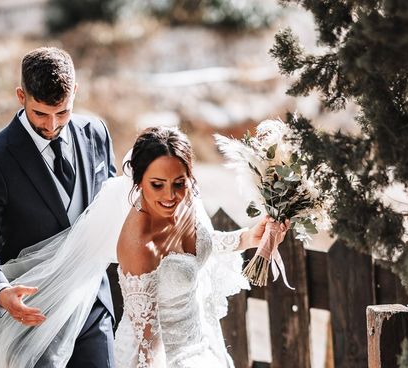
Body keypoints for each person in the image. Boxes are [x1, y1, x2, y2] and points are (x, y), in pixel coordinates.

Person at [0, 47, 117, 367]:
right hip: (33, 314)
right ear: (21, 96)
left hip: (93, 306)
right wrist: (0, 292)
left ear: (75, 91)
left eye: (63, 112)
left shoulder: (96, 133)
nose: (52, 124)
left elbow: (115, 211)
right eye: (41, 114)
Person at [114, 126, 289, 367]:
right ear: (139, 181)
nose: (170, 196)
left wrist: (248, 238)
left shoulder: (184, 202)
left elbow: (202, 241)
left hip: (202, 340)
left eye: (179, 183)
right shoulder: (140, 245)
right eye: (157, 185)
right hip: (165, 357)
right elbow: (145, 344)